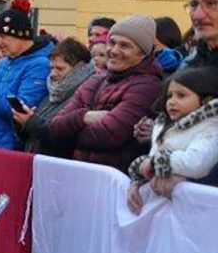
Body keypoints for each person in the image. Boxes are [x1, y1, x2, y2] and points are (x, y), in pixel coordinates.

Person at [48, 14, 164, 173]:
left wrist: (69, 134)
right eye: (112, 42)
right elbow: (55, 126)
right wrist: (84, 117)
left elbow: (108, 136)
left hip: (116, 184)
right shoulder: (96, 80)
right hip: (82, 175)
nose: (114, 50)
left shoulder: (148, 87)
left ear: (143, 53)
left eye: (125, 45)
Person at [127, 65, 218, 213]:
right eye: (169, 96)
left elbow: (197, 163)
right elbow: (153, 158)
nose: (171, 101)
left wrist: (155, 162)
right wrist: (139, 180)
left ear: (205, 100)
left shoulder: (210, 127)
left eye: (181, 95)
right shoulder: (163, 125)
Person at [0, 0, 52, 150]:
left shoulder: (40, 65)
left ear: (22, 36)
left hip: (13, 149)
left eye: (3, 36)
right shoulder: (5, 62)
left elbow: (19, 112)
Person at [14, 37, 96, 158]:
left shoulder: (86, 96)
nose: (52, 74)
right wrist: (21, 123)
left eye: (60, 69)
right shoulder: (52, 93)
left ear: (80, 68)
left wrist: (31, 122)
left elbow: (65, 139)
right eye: (52, 68)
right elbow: (33, 137)